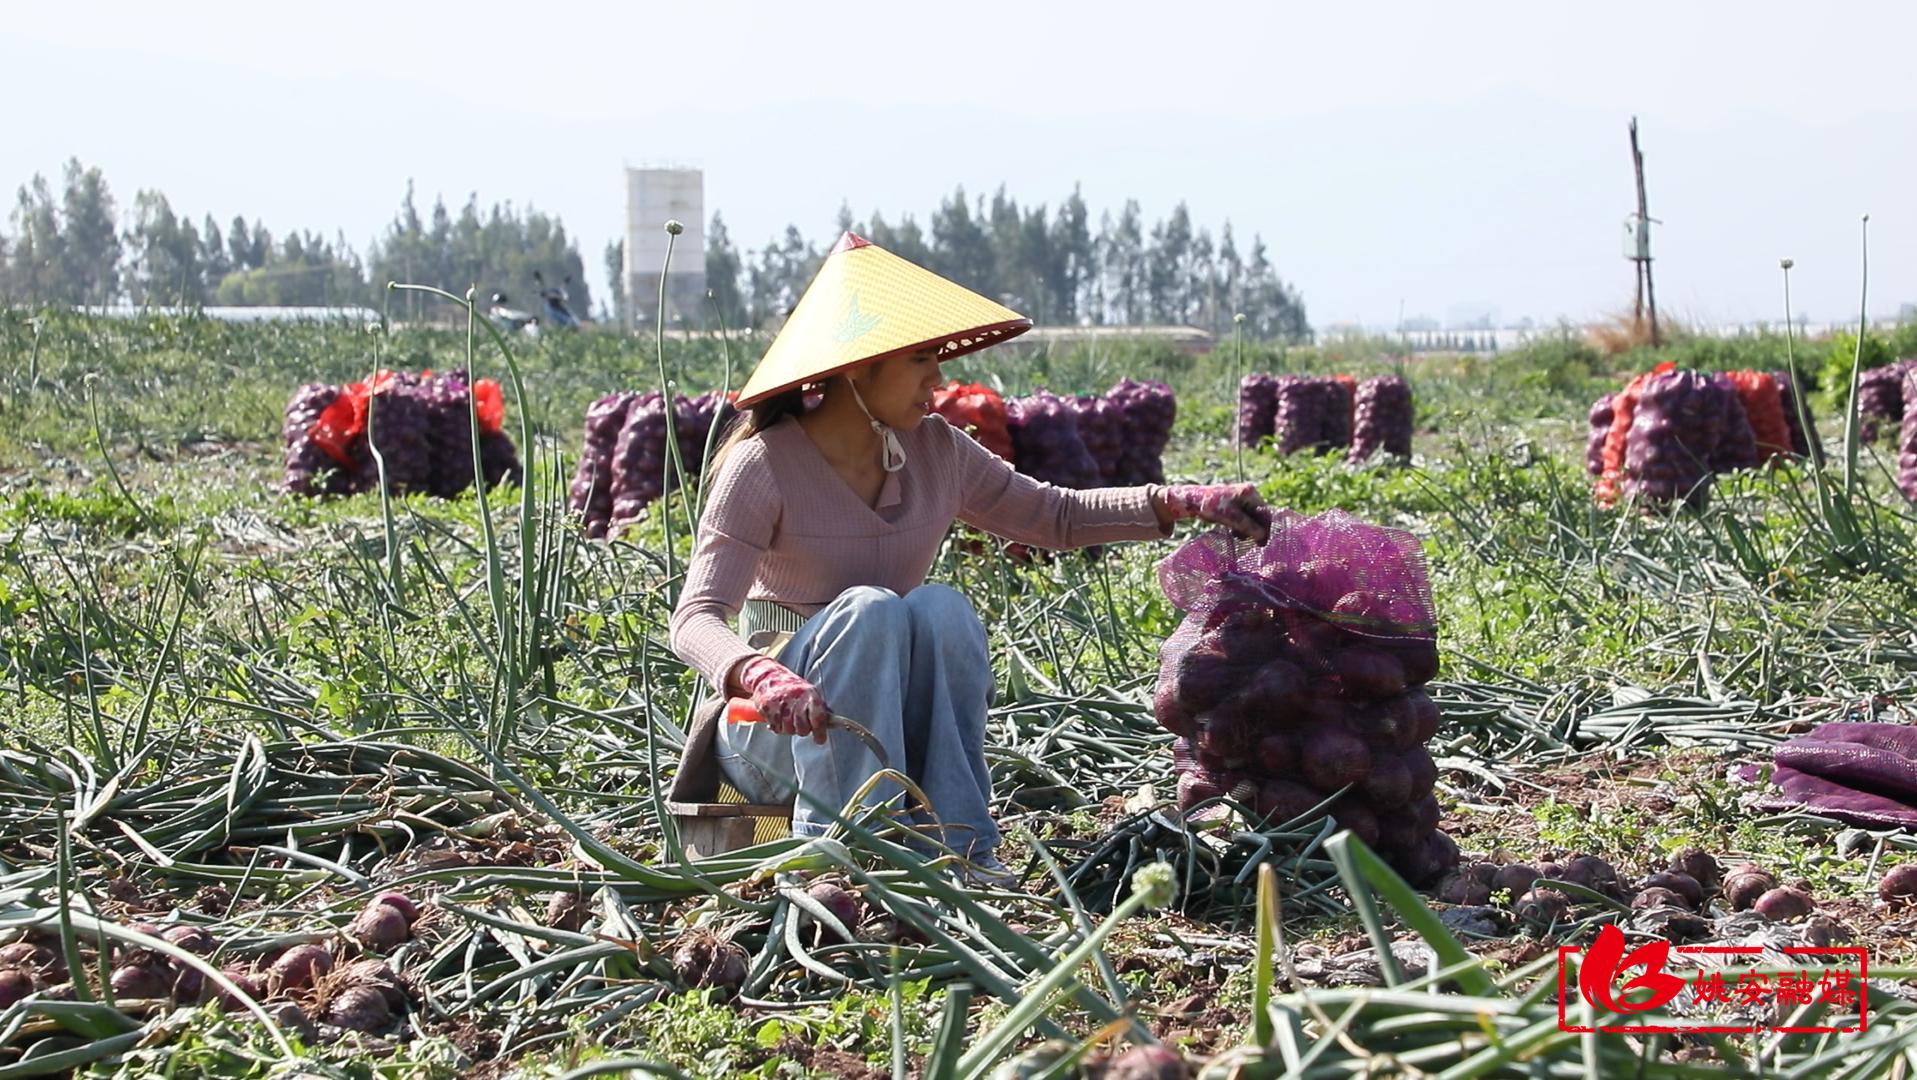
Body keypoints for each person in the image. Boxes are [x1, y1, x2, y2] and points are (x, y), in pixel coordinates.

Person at [667, 233, 1269, 885]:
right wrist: (760, 675)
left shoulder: (936, 451)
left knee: (940, 608)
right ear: (856, 365)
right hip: (778, 738)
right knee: (870, 612)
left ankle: (959, 848)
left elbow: (1055, 516)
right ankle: (845, 863)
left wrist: (1179, 502)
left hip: (892, 731)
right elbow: (694, 618)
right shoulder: (763, 465)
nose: (938, 380)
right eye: (921, 360)